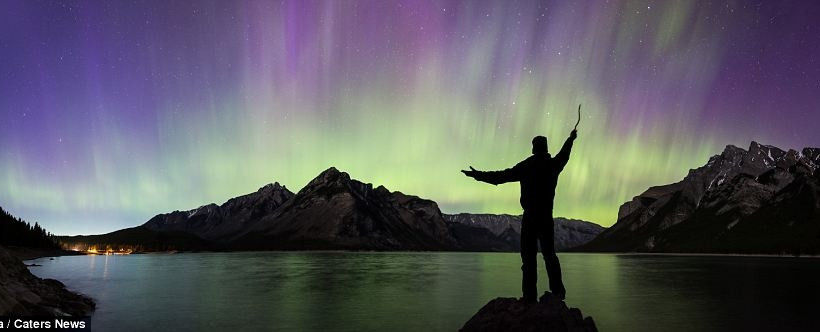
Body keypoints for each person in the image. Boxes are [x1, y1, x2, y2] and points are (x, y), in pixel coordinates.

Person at [461, 129, 577, 302]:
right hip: (546, 217)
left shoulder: (526, 166)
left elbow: (500, 177)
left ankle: (529, 297)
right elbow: (565, 153)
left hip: (530, 218)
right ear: (545, 148)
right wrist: (570, 139)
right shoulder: (553, 165)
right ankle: (558, 292)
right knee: (549, 256)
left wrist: (477, 175)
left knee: (529, 259)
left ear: (533, 149)